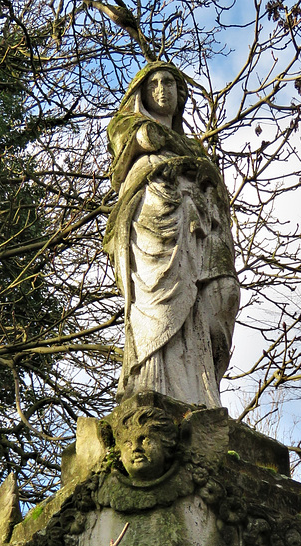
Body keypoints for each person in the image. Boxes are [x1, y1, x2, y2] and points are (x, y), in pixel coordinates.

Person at [104, 61, 239, 408]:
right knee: (158, 302)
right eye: (154, 84)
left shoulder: (194, 148)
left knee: (222, 296)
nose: (163, 90)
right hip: (154, 218)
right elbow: (143, 138)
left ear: (181, 96)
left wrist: (198, 170)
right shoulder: (127, 124)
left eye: (170, 83)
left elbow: (216, 190)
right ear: (142, 94)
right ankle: (153, 384)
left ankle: (201, 391)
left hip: (198, 224)